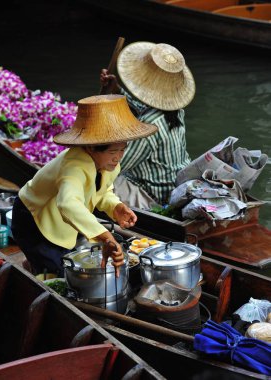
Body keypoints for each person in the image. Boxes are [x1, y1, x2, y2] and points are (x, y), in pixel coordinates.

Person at [11, 94, 157, 277]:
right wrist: (105, 236)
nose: (118, 157)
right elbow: (68, 203)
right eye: (113, 151)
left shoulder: (109, 163)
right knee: (55, 270)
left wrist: (115, 207)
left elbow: (102, 191)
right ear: (90, 147)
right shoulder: (73, 166)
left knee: (65, 260)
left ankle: (35, 265)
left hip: (60, 216)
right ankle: (35, 269)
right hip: (33, 216)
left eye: (122, 149)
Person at [100, 41, 196, 209]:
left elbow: (118, 164)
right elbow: (142, 110)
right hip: (174, 182)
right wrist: (117, 90)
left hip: (154, 195)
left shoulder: (150, 124)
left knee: (103, 179)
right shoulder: (175, 110)